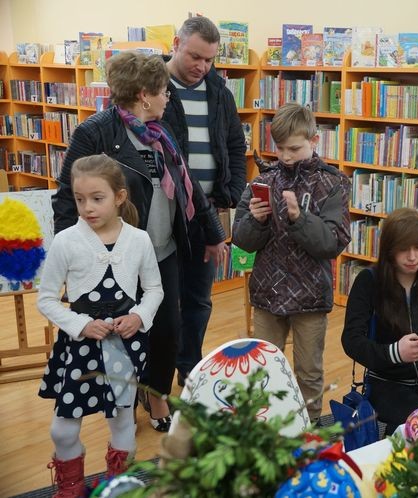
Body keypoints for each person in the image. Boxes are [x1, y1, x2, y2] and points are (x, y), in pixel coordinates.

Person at [51, 51, 226, 432]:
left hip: (163, 251)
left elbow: (188, 185)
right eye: (164, 91)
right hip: (114, 257)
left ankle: (156, 393)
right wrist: (73, 261)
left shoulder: (161, 130)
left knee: (168, 331)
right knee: (122, 336)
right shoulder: (95, 132)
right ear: (145, 94)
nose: (169, 97)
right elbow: (68, 197)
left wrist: (213, 233)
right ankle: (123, 410)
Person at [39, 155, 164, 497]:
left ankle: (119, 486)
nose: (87, 208)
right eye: (80, 200)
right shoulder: (66, 241)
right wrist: (80, 324)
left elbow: (154, 289)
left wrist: (139, 316)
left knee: (123, 421)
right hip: (80, 349)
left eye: (97, 198)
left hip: (124, 346)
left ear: (119, 197)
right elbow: (46, 298)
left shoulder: (138, 240)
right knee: (62, 431)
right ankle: (70, 486)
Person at [232, 103, 350, 422]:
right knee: (263, 370)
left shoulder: (333, 183)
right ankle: (264, 429)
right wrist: (255, 221)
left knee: (308, 372)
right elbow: (241, 237)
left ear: (314, 140)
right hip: (268, 295)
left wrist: (300, 219)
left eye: (294, 148)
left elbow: (333, 242)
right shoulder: (265, 179)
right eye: (280, 148)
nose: (285, 156)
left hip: (310, 297)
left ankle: (308, 431)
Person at [163, 16, 247, 384]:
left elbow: (234, 146)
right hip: (163, 213)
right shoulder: (152, 88)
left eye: (209, 60)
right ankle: (157, 374)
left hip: (208, 213)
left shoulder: (220, 93)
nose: (202, 66)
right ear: (176, 42)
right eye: (195, 56)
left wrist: (232, 193)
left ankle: (189, 367)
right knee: (162, 301)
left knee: (199, 299)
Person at [341, 208, 418, 435]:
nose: (412, 257)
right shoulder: (369, 281)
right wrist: (395, 352)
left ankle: (395, 435)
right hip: (386, 384)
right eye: (403, 249)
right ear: (389, 249)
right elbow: (351, 340)